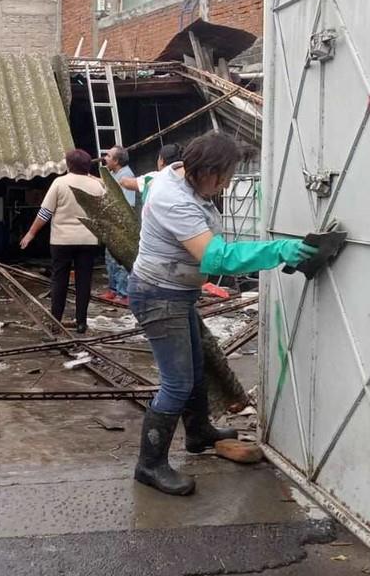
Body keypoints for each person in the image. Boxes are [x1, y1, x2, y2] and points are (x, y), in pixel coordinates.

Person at [129, 132, 316, 496]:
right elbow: (216, 258)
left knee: (195, 370)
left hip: (177, 293)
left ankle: (198, 434)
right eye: (223, 177)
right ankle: (149, 465)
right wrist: (279, 250)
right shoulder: (173, 198)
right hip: (157, 296)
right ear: (204, 169)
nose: (225, 185)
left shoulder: (182, 178)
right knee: (177, 382)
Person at [19, 148, 104, 333]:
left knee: (60, 280)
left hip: (62, 241)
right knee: (84, 281)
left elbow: (45, 212)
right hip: (88, 240)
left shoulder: (60, 183)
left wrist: (31, 233)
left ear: (69, 165)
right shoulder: (97, 186)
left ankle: (56, 322)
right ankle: (81, 322)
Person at [100, 145, 136, 306]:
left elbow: (128, 204)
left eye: (108, 156)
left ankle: (123, 293)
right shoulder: (115, 174)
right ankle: (113, 289)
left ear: (116, 161)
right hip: (112, 223)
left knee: (120, 260)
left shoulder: (126, 176)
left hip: (120, 225)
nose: (104, 158)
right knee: (110, 258)